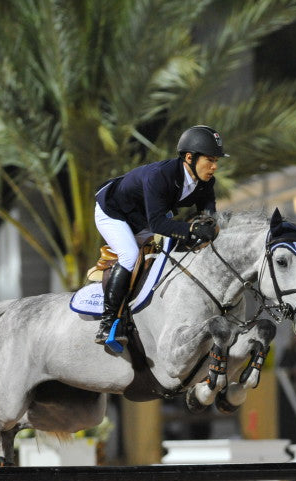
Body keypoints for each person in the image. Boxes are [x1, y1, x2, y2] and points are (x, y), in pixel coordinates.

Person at [92, 125, 228, 347]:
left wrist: (210, 227)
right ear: (189, 157)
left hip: (141, 217)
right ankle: (108, 322)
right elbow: (157, 223)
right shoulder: (160, 176)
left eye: (217, 161)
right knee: (129, 255)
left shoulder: (206, 182)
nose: (214, 166)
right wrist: (192, 230)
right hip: (114, 213)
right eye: (210, 160)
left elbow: (209, 213)